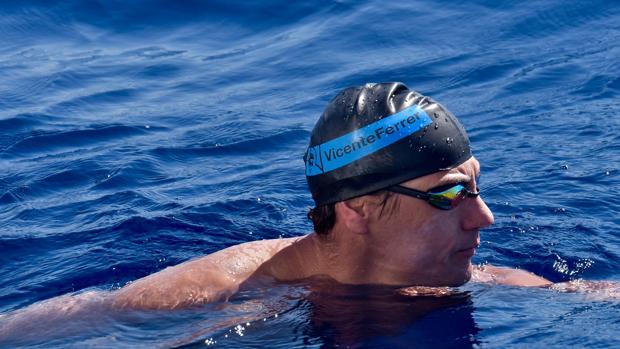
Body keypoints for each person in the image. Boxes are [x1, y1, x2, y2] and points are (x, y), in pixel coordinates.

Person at [110, 82, 551, 310]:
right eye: (449, 193)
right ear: (356, 208)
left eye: (475, 187)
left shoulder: (447, 277)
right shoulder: (210, 301)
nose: (484, 217)